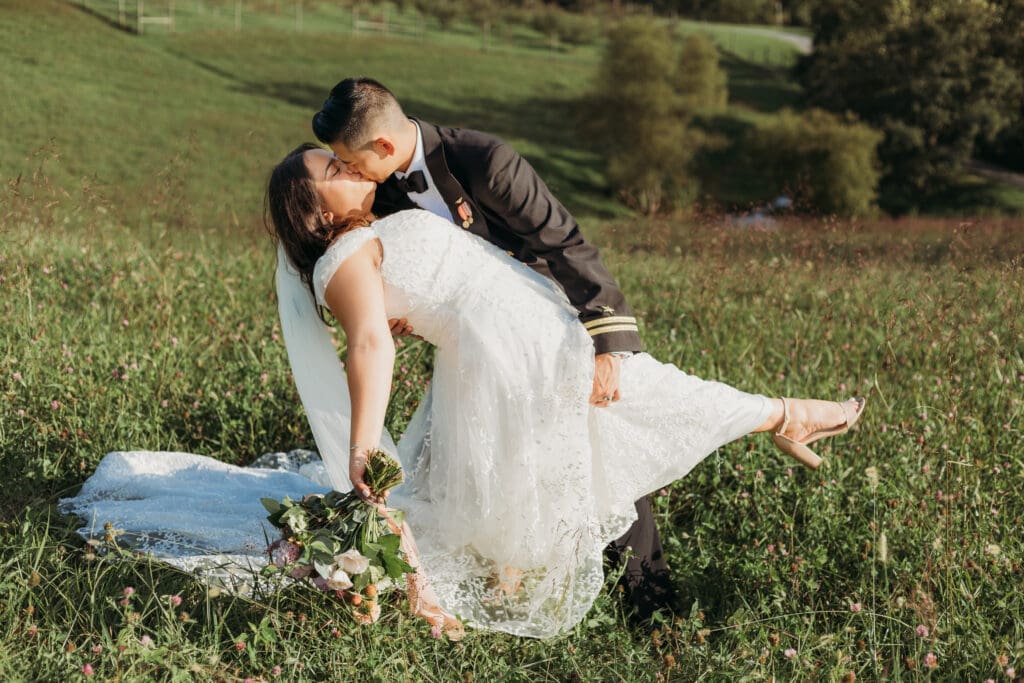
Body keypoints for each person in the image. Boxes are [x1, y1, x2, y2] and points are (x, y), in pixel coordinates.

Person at [266, 143, 866, 638]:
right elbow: (371, 344)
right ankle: (784, 414)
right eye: (334, 171)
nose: (349, 166)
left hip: (521, 327)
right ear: (313, 211)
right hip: (507, 349)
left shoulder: (376, 223)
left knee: (571, 443)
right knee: (642, 398)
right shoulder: (341, 258)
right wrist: (362, 448)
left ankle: (781, 416)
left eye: (345, 158)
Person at [305, 77, 671, 620]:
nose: (352, 175)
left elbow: (565, 244)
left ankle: (651, 606)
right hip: (476, 354)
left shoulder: (484, 160)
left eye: (351, 163)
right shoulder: (378, 188)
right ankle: (492, 587)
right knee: (476, 467)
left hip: (545, 327)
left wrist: (606, 345)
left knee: (598, 454)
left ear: (382, 146)